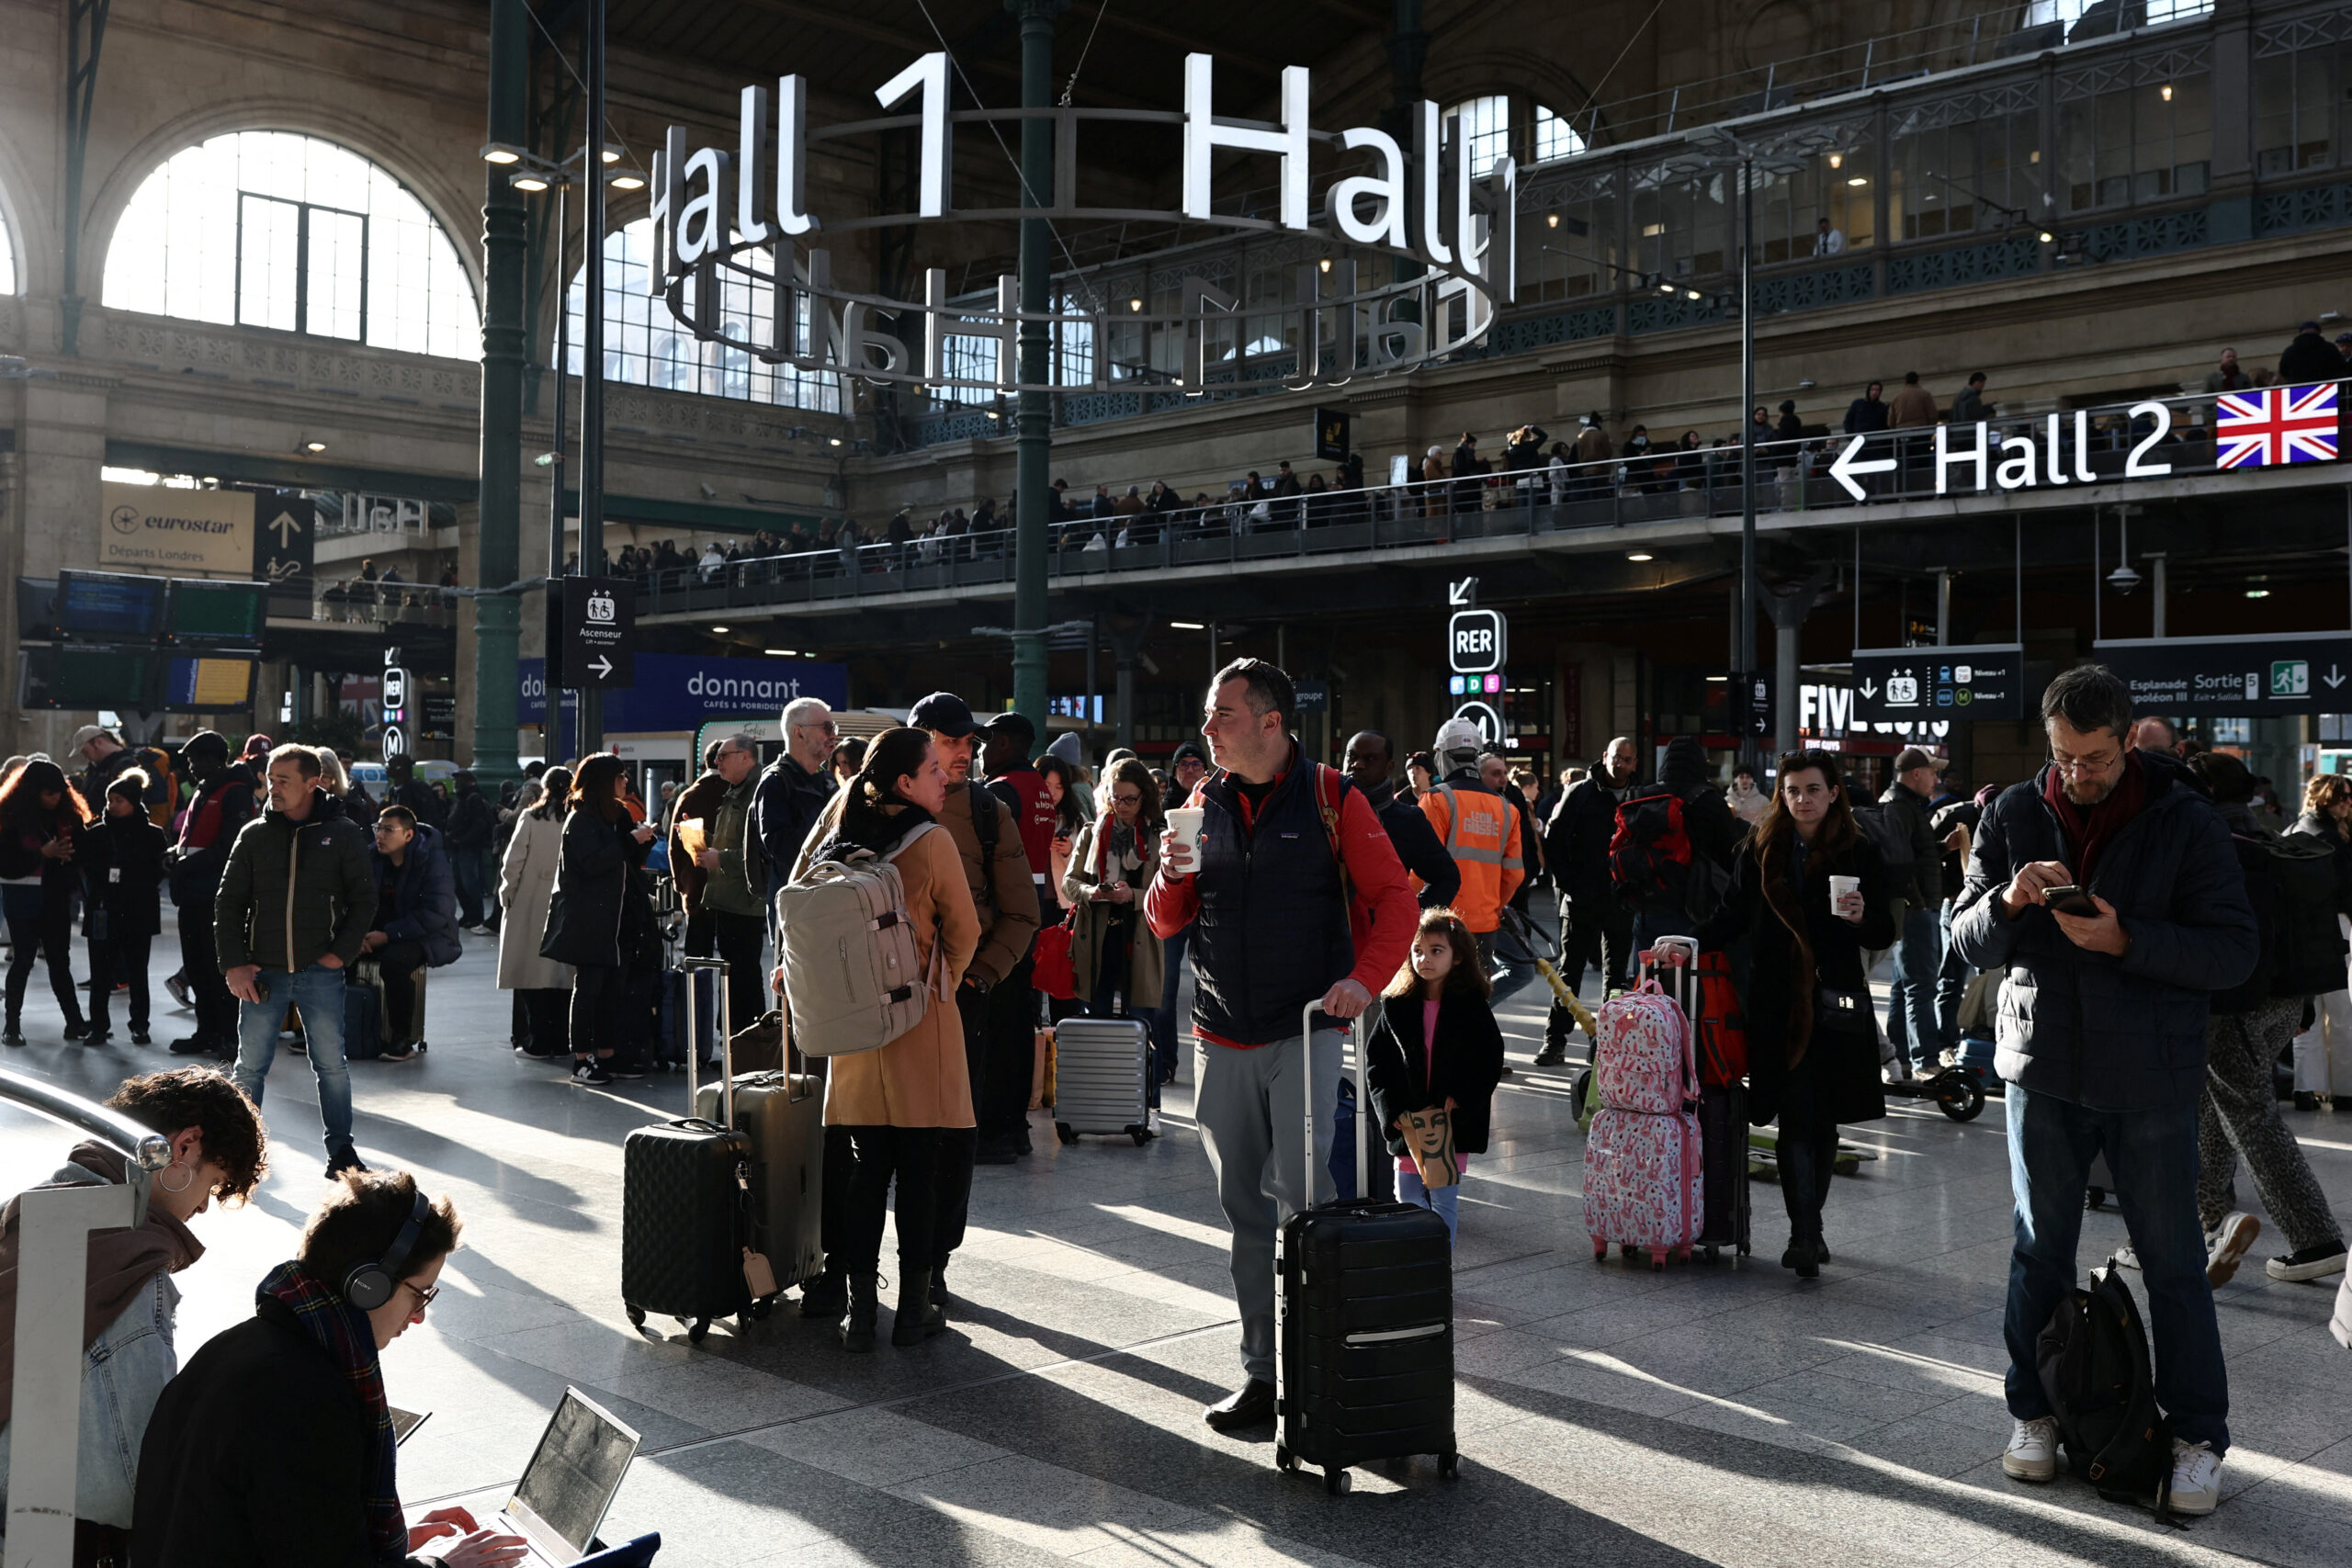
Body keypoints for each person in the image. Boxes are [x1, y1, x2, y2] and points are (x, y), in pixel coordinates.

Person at [1951, 665, 2257, 1515]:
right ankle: (2035, 1412)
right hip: (2040, 1069)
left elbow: (2232, 951)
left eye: (2093, 758)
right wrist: (2009, 899)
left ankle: (2197, 1436)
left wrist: (2127, 938)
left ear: (2129, 741)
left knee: (2173, 1264)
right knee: (2037, 1252)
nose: (2077, 775)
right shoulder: (2012, 811)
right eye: (2062, 757)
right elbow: (1964, 940)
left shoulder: (2184, 819)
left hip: (2151, 1078)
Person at [1144, 658, 1415, 1432]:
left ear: (1271, 721)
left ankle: (1318, 1367)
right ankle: (1262, 1375)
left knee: (1304, 1203)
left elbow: (1396, 897)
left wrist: (1364, 980)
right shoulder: (1205, 800)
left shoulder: (1334, 797)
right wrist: (1168, 877)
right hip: (1219, 1031)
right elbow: (1166, 922)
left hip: (1304, 1029)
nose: (1206, 730)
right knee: (1242, 1211)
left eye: (1221, 714)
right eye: (1207, 714)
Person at [130, 1169, 526, 1568]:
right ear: (368, 1284)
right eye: (419, 1295)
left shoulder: (237, 1347)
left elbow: (290, 1533)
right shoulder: (307, 1398)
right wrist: (443, 1565)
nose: (419, 1317)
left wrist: (391, 1541)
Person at [0, 1066, 266, 1556]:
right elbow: (135, 1483)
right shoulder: (128, 1275)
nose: (203, 1209)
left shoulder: (36, 1208)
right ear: (185, 1147)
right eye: (212, 1185)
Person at [793, 729, 982, 1352]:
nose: (943, 779)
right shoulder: (933, 841)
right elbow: (965, 929)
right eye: (932, 769)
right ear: (905, 782)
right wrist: (937, 981)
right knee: (920, 1172)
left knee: (866, 1171)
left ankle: (860, 1312)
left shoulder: (843, 835)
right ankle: (913, 1309)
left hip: (852, 1031)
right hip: (918, 1023)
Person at [1700, 750, 1895, 1277]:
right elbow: (1732, 915)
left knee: (1824, 1121)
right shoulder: (1762, 848)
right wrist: (1686, 946)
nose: (1802, 800)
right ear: (1781, 796)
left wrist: (1859, 919)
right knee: (1794, 1117)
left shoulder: (1859, 852)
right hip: (1776, 1005)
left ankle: (1811, 1225)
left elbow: (1885, 929)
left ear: (1834, 792)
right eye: (1792, 791)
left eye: (1812, 789)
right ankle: (1804, 1233)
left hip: (1836, 1003)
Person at [2163, 753, 2348, 1287]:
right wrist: (2304, 1004)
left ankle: (2314, 1239)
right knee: (2217, 1107)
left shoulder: (2211, 846)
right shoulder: (2265, 834)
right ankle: (2203, 1221)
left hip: (2235, 1004)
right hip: (2284, 998)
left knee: (2249, 1116)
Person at [218, 745, 377, 1175]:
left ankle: (341, 1151)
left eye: (283, 780)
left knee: (331, 1066)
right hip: (261, 971)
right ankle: (238, 1154)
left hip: (318, 970)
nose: (273, 788)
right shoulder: (254, 834)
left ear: (315, 782)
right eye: (270, 779)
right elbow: (228, 902)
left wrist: (337, 955)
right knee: (249, 1067)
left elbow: (364, 900)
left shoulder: (342, 833)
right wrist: (234, 964)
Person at [1365, 908, 1506, 1247]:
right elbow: (1377, 1063)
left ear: (1457, 957)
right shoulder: (1397, 1005)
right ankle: (1416, 1265)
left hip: (1450, 1120)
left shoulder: (1471, 1006)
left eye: (1435, 951)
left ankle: (1439, 1269)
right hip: (1409, 1120)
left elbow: (1489, 1058)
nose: (1424, 958)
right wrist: (1392, 1109)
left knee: (1443, 1201)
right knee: (1407, 1197)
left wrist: (1463, 1095)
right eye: (1417, 951)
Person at [539, 754, 660, 1087]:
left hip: (619, 917)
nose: (626, 782)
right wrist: (628, 841)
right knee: (589, 989)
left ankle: (607, 1053)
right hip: (589, 919)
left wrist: (643, 841)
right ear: (605, 781)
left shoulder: (617, 814)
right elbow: (592, 863)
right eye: (620, 777)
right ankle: (581, 1059)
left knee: (613, 990)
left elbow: (627, 860)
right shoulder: (580, 820)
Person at [1539, 736, 1640, 1066]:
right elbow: (1554, 842)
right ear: (1604, 756)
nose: (1621, 764)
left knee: (1616, 978)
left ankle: (1607, 1044)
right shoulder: (1581, 792)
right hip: (1581, 899)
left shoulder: (1640, 797)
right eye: (1616, 757)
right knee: (1570, 973)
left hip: (1620, 900)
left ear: (1634, 763)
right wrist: (1571, 885)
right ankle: (1555, 1040)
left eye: (1627, 759)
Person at [1419, 720, 1530, 1003]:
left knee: (1435, 1003)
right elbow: (1515, 874)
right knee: (1472, 1002)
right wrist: (1493, 905)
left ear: (1442, 755)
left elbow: (1419, 869)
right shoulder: (1506, 809)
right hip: (1484, 924)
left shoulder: (1436, 800)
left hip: (1441, 922)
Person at [165, 733, 259, 1059]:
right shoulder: (204, 791)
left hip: (214, 895)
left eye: (194, 760)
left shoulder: (234, 793)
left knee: (218, 969)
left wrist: (186, 863)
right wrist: (174, 854)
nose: (190, 767)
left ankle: (228, 1036)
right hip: (192, 893)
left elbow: (230, 846)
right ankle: (206, 1031)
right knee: (197, 966)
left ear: (212, 760)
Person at [1061, 755, 1168, 1041]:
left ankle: (1148, 1086)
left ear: (1144, 797)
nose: (1120, 805)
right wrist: (1091, 892)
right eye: (1115, 797)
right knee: (1096, 1026)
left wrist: (1132, 895)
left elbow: (1169, 894)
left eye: (1128, 799)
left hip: (1139, 939)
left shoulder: (1159, 836)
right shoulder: (1092, 832)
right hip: (1098, 939)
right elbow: (1069, 883)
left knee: (1142, 1030)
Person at [1613, 735, 1742, 952]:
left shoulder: (1642, 797)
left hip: (1648, 903)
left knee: (1647, 975)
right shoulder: (1710, 801)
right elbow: (1729, 853)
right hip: (1696, 905)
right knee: (1692, 976)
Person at [678, 733, 768, 1036]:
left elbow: (760, 851)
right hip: (728, 900)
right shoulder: (736, 791)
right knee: (735, 977)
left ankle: (747, 1047)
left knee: (743, 979)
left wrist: (723, 860)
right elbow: (732, 841)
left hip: (745, 902)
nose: (717, 762)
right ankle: (736, 1042)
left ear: (746, 757)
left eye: (724, 756)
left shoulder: (758, 791)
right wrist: (698, 841)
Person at [0, 759, 93, 1046]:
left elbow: (83, 850)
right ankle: (12, 1025)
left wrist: (69, 857)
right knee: (24, 960)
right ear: (33, 792)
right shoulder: (10, 819)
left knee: (59, 961)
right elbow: (6, 864)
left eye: (59, 793)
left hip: (54, 898)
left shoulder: (67, 816)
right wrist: (44, 852)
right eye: (49, 793)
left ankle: (74, 1022)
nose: (55, 798)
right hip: (22, 897)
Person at [358, 805, 458, 1063]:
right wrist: (358, 935)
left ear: (409, 835)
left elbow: (437, 912)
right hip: (378, 932)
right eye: (377, 828)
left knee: (395, 963)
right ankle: (342, 1032)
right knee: (337, 956)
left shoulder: (431, 860)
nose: (380, 835)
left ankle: (401, 1039)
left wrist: (389, 934)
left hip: (424, 936)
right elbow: (356, 901)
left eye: (388, 829)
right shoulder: (371, 858)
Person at [77, 769, 171, 1046]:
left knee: (137, 972)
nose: (112, 805)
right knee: (100, 973)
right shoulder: (97, 834)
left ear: (133, 801)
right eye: (110, 799)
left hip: (137, 910)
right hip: (103, 909)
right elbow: (87, 869)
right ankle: (98, 1026)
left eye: (119, 799)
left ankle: (140, 1025)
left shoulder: (152, 834)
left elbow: (158, 871)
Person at [1880, 747, 1951, 1078]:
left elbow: (1912, 854)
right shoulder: (1898, 806)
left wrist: (1940, 848)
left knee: (1904, 985)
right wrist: (1919, 903)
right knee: (1922, 986)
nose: (1937, 779)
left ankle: (1901, 1059)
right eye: (1933, 772)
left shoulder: (1905, 805)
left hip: (1912, 909)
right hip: (1915, 911)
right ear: (1916, 773)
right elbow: (1900, 863)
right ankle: (1927, 1062)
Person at [498, 766, 573, 1062]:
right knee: (562, 976)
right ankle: (561, 1040)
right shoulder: (575, 818)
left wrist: (508, 894)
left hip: (531, 903)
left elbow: (512, 861)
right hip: (564, 905)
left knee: (531, 974)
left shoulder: (531, 817)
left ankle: (535, 1040)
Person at [1342, 730, 1460, 910]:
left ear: (1389, 767)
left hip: (1379, 934)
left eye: (1370, 759)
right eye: (1352, 756)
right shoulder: (1322, 809)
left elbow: (1446, 878)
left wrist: (1409, 916)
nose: (1357, 765)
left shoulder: (1408, 821)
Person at [752, 697, 841, 908]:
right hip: (795, 907)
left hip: (829, 900)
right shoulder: (775, 782)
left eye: (834, 727)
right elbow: (782, 849)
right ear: (798, 732)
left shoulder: (828, 781)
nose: (833, 735)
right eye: (827, 728)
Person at [443, 771, 494, 933]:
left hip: (467, 847)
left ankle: (475, 915)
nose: (456, 783)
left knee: (469, 882)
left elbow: (479, 824)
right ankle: (468, 915)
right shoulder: (463, 799)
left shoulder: (473, 798)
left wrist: (463, 839)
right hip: (459, 847)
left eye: (460, 780)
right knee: (460, 883)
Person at [1035, 755, 1087, 894]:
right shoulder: (1025, 814)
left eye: (1059, 787)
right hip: (1031, 892)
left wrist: (1069, 849)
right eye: (1046, 785)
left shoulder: (1076, 819)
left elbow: (1087, 862)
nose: (1052, 793)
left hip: (1064, 896)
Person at [383, 755, 447, 832]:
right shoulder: (392, 791)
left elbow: (430, 816)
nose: (387, 769)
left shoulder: (418, 788)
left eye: (391, 766)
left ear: (400, 768)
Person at [2278, 320, 2342, 386]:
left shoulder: (2289, 351)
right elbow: (2340, 367)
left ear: (2300, 333)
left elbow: (2283, 371)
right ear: (2318, 332)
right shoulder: (2329, 348)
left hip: (2298, 389)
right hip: (2326, 389)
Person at [1725, 762, 1770, 827]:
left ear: (1752, 779)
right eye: (1741, 777)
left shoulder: (1763, 801)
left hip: (1756, 835)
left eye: (1748, 777)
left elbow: (1769, 822)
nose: (1745, 780)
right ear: (1735, 779)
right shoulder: (1727, 800)